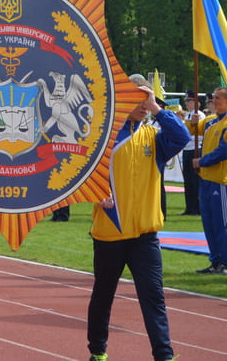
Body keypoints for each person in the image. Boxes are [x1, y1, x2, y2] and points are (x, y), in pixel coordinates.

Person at [87, 81, 189, 361]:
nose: (144, 106)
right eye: (139, 99)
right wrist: (96, 194)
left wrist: (156, 107)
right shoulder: (104, 138)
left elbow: (181, 137)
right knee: (104, 295)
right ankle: (97, 350)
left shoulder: (155, 138)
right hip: (110, 231)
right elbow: (82, 176)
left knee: (153, 296)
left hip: (145, 235)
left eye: (148, 100)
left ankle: (164, 355)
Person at [192, 85, 227, 275]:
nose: (213, 101)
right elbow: (190, 129)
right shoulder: (210, 122)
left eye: (218, 98)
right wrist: (193, 121)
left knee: (222, 223)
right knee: (209, 222)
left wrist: (202, 161)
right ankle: (215, 260)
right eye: (213, 98)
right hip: (205, 180)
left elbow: (224, 151)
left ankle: (225, 261)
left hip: (220, 180)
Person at [180, 91, 204, 215]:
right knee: (188, 180)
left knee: (195, 180)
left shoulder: (199, 115)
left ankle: (197, 207)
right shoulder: (189, 115)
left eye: (189, 101)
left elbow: (199, 132)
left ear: (196, 102)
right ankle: (189, 207)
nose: (187, 103)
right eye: (186, 101)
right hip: (187, 149)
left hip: (195, 148)